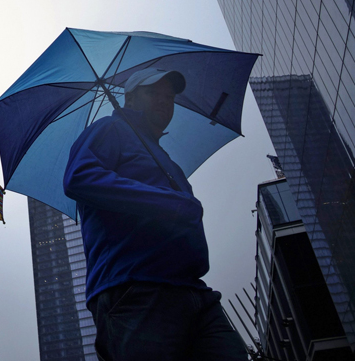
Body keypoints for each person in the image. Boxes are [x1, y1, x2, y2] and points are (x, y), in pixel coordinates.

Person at [63, 67, 247, 361]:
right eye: (154, 93)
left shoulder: (164, 156)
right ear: (131, 99)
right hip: (136, 291)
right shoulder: (109, 130)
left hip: (194, 291)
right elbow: (79, 178)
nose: (164, 101)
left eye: (169, 97)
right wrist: (168, 203)